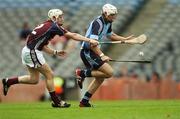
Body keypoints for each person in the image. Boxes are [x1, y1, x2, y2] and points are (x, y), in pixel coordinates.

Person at [2, 9, 98, 108]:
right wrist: (89, 40)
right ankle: (57, 102)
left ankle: (8, 81)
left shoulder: (47, 25)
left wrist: (55, 52)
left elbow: (42, 45)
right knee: (49, 74)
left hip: (29, 51)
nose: (62, 19)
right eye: (60, 17)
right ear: (53, 18)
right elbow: (73, 35)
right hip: (32, 52)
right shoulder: (53, 26)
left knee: (33, 79)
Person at [75, 4, 134, 107]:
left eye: (115, 15)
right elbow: (93, 44)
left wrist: (124, 39)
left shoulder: (108, 22)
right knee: (109, 72)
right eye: (112, 15)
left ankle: (84, 102)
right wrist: (102, 55)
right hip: (87, 52)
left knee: (100, 78)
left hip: (93, 51)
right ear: (105, 13)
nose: (114, 17)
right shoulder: (98, 24)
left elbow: (111, 35)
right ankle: (82, 73)